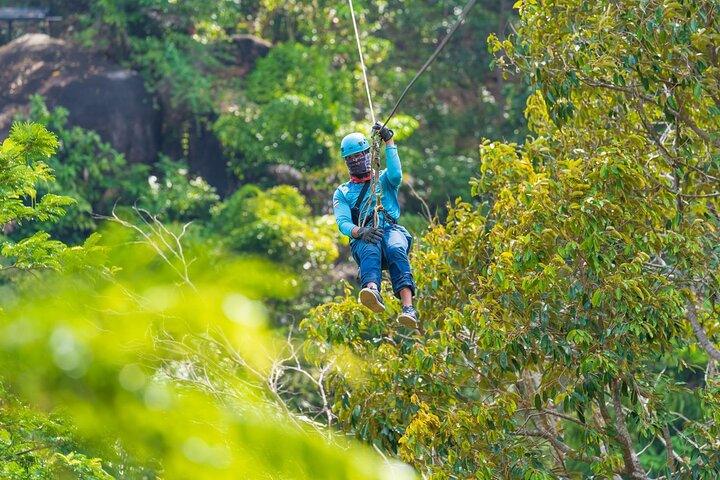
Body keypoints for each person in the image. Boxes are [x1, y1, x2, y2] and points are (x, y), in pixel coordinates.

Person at [332, 122, 418, 325]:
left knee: (396, 247)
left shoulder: (384, 179)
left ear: (368, 154)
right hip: (365, 235)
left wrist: (389, 141)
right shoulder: (343, 192)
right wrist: (360, 231)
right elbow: (343, 222)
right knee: (370, 249)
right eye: (351, 158)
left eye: (360, 155)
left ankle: (408, 307)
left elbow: (397, 175)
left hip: (390, 229)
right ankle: (372, 291)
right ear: (346, 162)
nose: (356, 160)